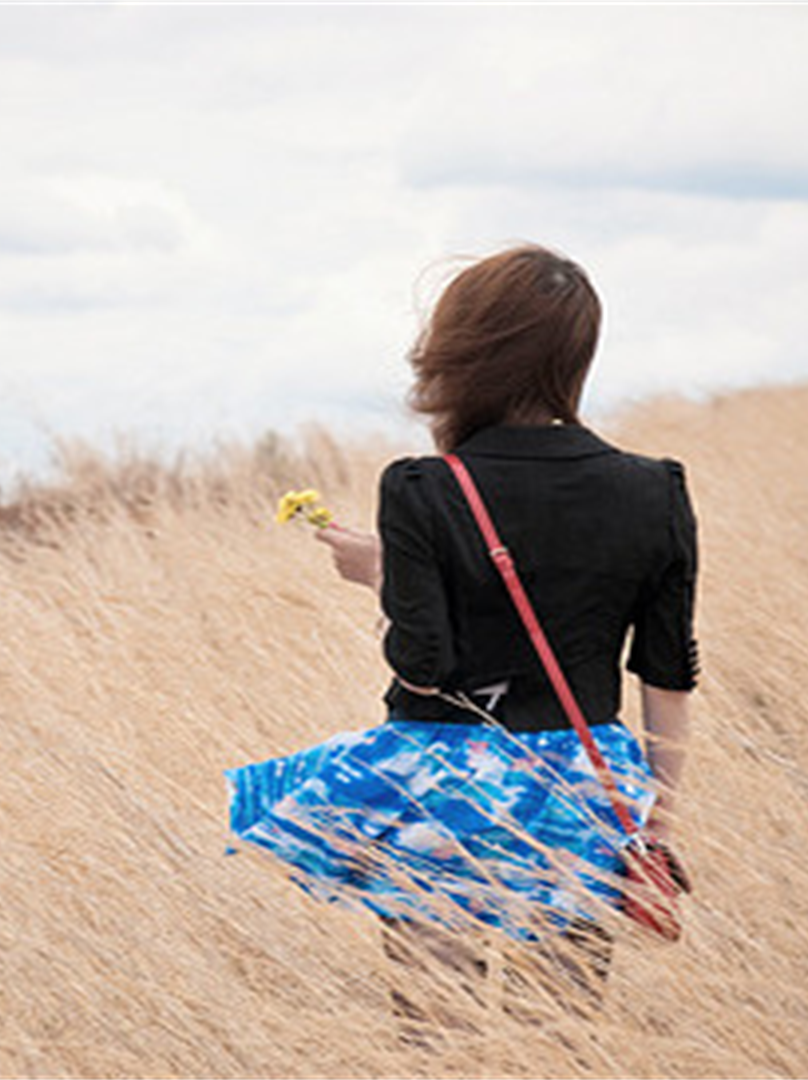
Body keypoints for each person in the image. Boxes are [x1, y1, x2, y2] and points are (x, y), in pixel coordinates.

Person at [232, 243, 698, 1038]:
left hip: (441, 784)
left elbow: (424, 665)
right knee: (560, 1038)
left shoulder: (424, 487)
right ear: (576, 355)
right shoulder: (654, 490)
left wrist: (382, 575)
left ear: (459, 352)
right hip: (587, 784)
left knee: (435, 1037)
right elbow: (666, 674)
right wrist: (656, 822)